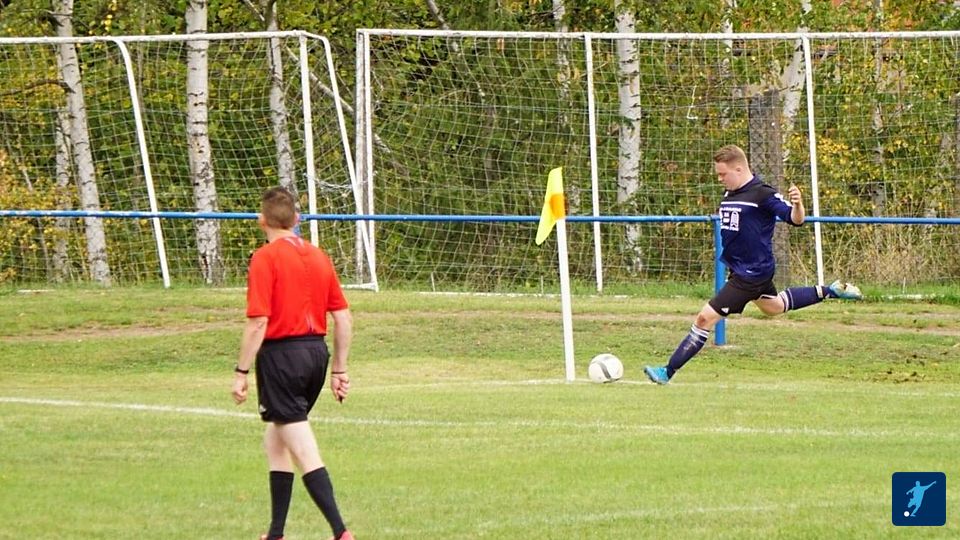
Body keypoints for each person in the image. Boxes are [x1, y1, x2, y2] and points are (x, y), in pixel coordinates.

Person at [644, 144, 862, 385]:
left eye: (723, 174)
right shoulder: (730, 193)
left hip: (751, 274)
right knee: (774, 307)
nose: (720, 179)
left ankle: (667, 372)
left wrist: (798, 205)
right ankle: (830, 290)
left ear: (739, 169)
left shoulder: (763, 194)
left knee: (704, 319)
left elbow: (794, 219)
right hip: (743, 269)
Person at [232, 187, 355, 540]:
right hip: (315, 355)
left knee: (303, 449)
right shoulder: (318, 256)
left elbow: (258, 321)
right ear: (297, 219)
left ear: (262, 221)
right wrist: (339, 369)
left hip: (282, 358)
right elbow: (343, 318)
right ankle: (275, 534)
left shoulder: (265, 258)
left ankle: (341, 533)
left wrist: (241, 372)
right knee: (276, 441)